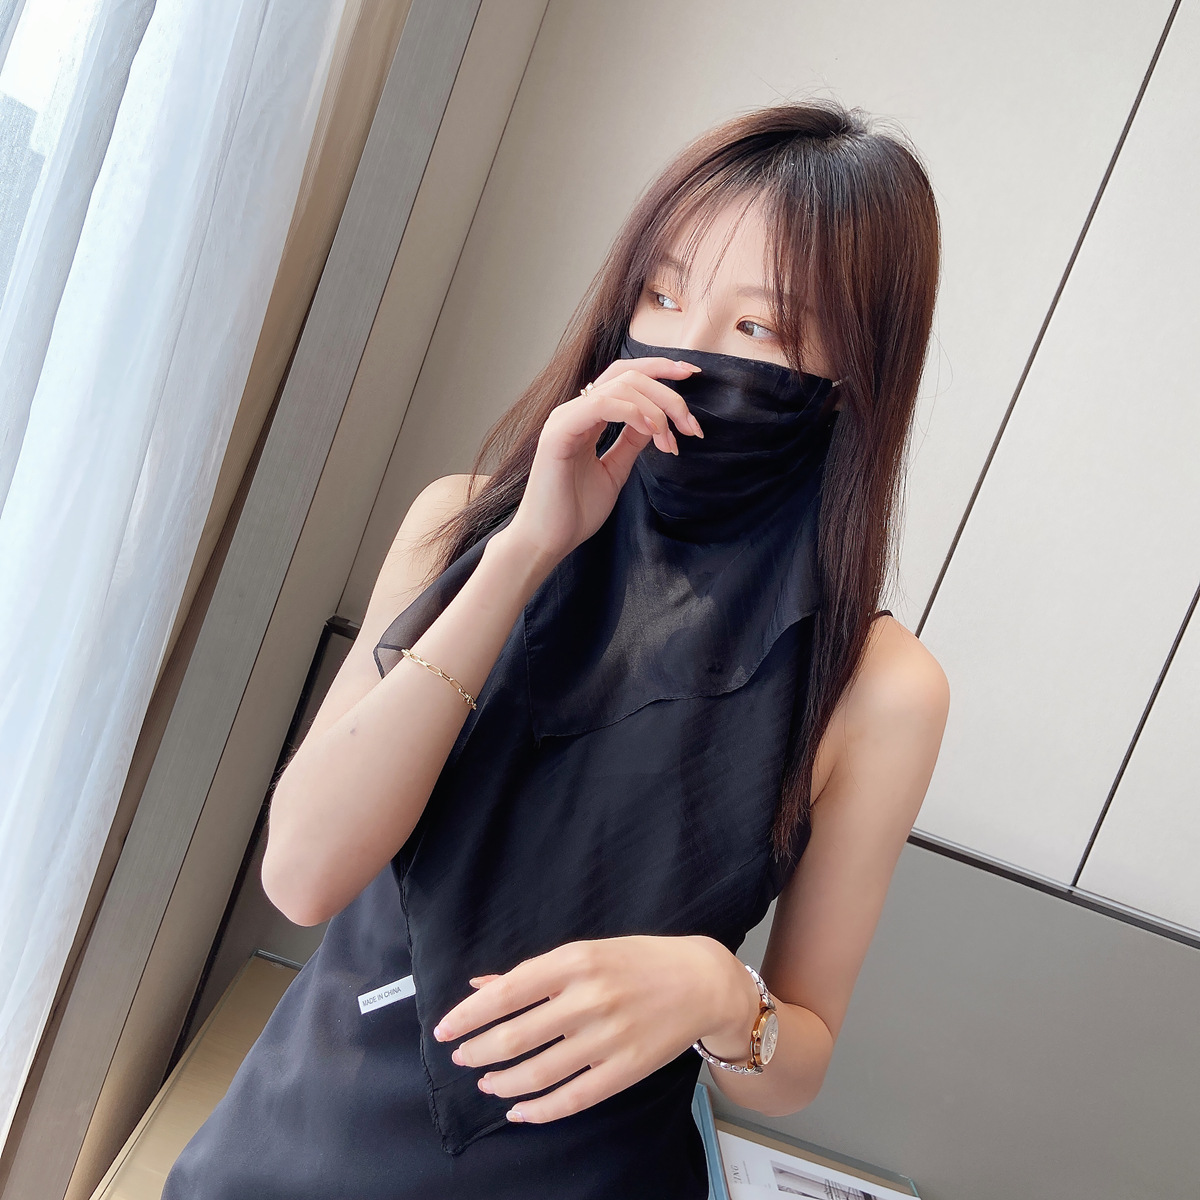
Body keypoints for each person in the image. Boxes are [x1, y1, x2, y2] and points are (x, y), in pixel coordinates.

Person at [162, 97, 949, 1199]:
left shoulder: (880, 687)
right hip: (300, 1148)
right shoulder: (457, 526)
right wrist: (525, 550)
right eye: (661, 294)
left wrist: (720, 994)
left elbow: (797, 1060)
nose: (681, 349)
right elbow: (303, 872)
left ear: (853, 375)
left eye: (757, 330)